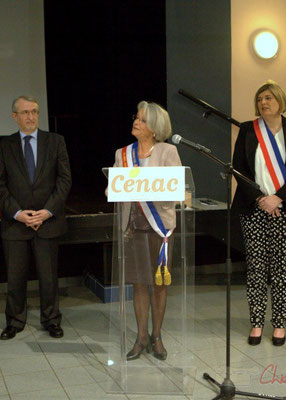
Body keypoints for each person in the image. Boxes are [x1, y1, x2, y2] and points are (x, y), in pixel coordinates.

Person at [231, 80, 286, 346]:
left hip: (285, 209)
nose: (263, 102)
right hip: (253, 207)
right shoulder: (247, 130)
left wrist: (278, 199)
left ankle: (279, 324)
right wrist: (261, 199)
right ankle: (256, 323)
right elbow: (239, 169)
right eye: (259, 99)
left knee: (281, 269)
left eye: (268, 98)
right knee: (255, 267)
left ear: (280, 100)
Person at [0, 95, 71, 340]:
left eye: (35, 111)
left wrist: (48, 211)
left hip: (48, 221)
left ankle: (51, 320)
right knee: (15, 278)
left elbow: (64, 180)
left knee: (49, 278)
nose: (31, 117)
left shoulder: (56, 141)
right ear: (15, 117)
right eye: (25, 112)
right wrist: (18, 213)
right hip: (16, 224)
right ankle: (15, 321)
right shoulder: (5, 146)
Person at [111, 101, 181, 361]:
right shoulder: (122, 153)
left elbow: (175, 189)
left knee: (159, 284)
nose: (136, 122)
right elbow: (112, 188)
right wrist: (116, 188)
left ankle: (157, 336)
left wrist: (142, 186)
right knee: (139, 284)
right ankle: (141, 337)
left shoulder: (168, 152)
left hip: (159, 228)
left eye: (141, 119)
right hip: (133, 227)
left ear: (154, 128)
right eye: (136, 117)